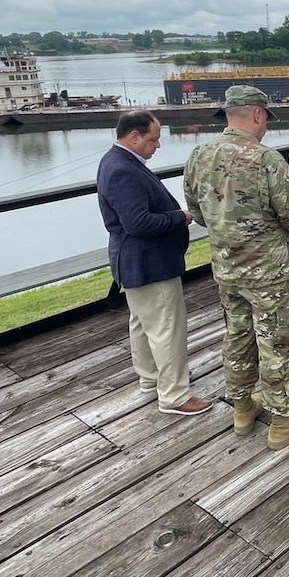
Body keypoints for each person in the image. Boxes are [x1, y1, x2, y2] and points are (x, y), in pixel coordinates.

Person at [183, 85, 289, 449]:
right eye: (266, 119)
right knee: (276, 342)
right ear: (258, 114)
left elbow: (197, 214)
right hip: (270, 273)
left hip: (227, 269)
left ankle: (242, 408)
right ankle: (282, 422)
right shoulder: (265, 159)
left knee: (238, 335)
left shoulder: (198, 156)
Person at [96, 111, 212, 416]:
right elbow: (138, 223)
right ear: (133, 136)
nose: (157, 146)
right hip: (149, 262)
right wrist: (182, 217)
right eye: (153, 139)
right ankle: (174, 394)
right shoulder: (123, 169)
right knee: (166, 327)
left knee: (143, 322)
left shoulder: (115, 161)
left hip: (134, 262)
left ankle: (150, 377)